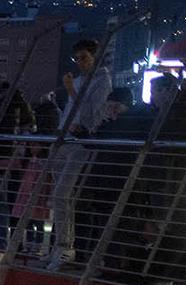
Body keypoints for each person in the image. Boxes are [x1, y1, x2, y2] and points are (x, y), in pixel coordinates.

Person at [42, 38, 112, 269]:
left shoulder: (102, 81)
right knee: (59, 196)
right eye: (77, 58)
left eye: (84, 57)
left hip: (81, 143)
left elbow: (92, 113)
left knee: (64, 193)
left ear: (94, 57)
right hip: (65, 140)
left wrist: (71, 91)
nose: (79, 63)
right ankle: (59, 246)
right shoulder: (82, 80)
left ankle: (65, 246)